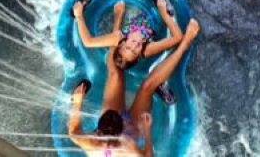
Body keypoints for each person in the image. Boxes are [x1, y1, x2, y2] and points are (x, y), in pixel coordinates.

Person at [68, 20, 201, 156]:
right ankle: (184, 45)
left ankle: (117, 38)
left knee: (115, 74)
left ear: (98, 131)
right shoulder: (126, 148)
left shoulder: (90, 143)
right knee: (147, 87)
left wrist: (77, 104)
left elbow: (73, 132)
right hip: (133, 130)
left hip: (112, 130)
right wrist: (147, 131)